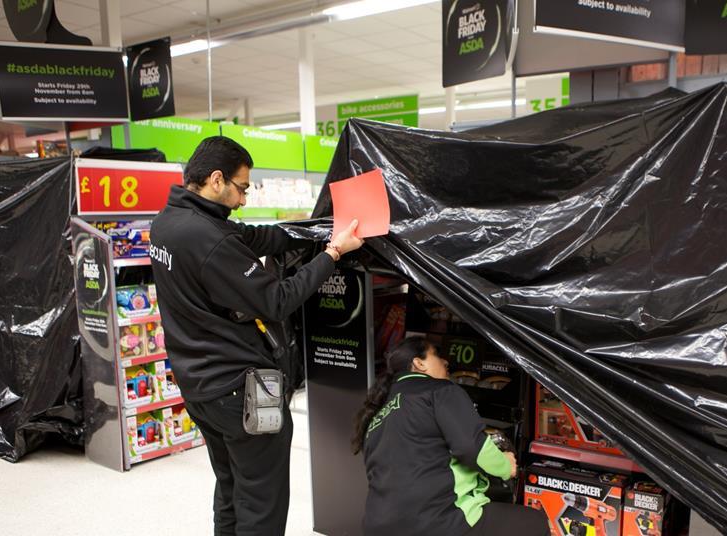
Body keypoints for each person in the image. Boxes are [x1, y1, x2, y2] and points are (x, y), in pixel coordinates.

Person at [150, 136, 363, 535]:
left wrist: (306, 233)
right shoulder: (211, 240)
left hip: (199, 386)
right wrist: (332, 254)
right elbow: (278, 300)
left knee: (231, 485)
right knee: (262, 500)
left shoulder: (168, 223)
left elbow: (250, 237)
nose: (244, 200)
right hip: (239, 391)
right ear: (216, 179)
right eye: (242, 188)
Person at [353, 336, 550, 536]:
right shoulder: (439, 390)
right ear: (419, 363)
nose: (445, 361)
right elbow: (471, 447)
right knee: (536, 522)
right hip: (437, 522)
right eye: (437, 355)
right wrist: (506, 466)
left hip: (377, 526)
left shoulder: (375, 416)